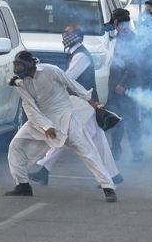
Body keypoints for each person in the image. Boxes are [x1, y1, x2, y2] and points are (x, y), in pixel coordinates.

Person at [5, 51, 117, 202]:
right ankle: (23, 185)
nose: (18, 69)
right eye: (16, 66)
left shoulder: (51, 70)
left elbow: (72, 84)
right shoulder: (20, 82)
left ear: (31, 64)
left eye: (21, 65)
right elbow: (30, 108)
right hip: (40, 121)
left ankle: (108, 187)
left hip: (66, 118)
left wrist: (92, 102)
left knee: (87, 152)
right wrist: (46, 127)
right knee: (16, 145)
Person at [28, 26, 122, 187]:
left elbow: (67, 78)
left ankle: (44, 167)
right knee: (97, 138)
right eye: (64, 32)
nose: (65, 35)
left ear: (78, 37)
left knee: (64, 132)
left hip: (82, 103)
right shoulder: (76, 54)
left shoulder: (81, 56)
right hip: (84, 102)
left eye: (69, 33)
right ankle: (113, 175)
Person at [105, 9, 143, 162]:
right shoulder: (121, 37)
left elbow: (133, 65)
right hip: (117, 87)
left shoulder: (129, 39)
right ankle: (116, 150)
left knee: (131, 119)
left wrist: (122, 84)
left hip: (125, 87)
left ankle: (137, 153)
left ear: (116, 22)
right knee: (118, 119)